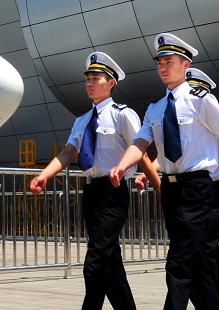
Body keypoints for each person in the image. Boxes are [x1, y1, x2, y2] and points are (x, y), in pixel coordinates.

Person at [108, 33, 219, 310]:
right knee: (198, 261)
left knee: (179, 261)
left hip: (198, 187)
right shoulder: (155, 108)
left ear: (185, 64)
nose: (162, 67)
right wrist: (123, 165)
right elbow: (141, 142)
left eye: (168, 61)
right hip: (171, 188)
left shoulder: (201, 100)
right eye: (159, 62)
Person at [28, 51, 138, 310]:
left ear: (111, 82)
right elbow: (68, 153)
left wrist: (144, 176)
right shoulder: (82, 120)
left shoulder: (123, 115)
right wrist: (44, 175)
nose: (89, 83)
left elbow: (139, 148)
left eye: (96, 78)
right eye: (87, 78)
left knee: (96, 261)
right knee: (110, 262)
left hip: (113, 191)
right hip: (91, 192)